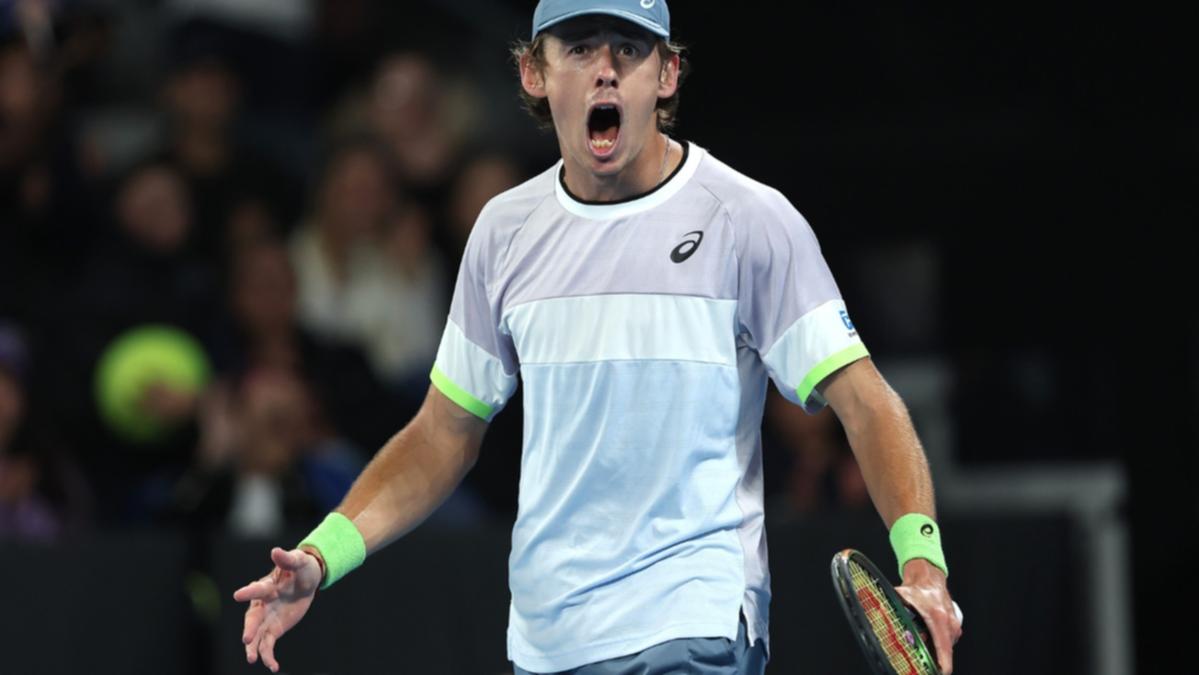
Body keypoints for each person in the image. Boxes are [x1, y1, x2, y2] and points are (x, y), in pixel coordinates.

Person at [234, 2, 964, 673]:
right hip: (548, 640)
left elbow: (865, 402)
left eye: (630, 47)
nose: (606, 67)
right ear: (534, 73)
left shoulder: (748, 220)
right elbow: (441, 433)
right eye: (580, 47)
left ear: (666, 74)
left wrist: (922, 564)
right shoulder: (503, 233)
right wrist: (321, 553)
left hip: (696, 619)